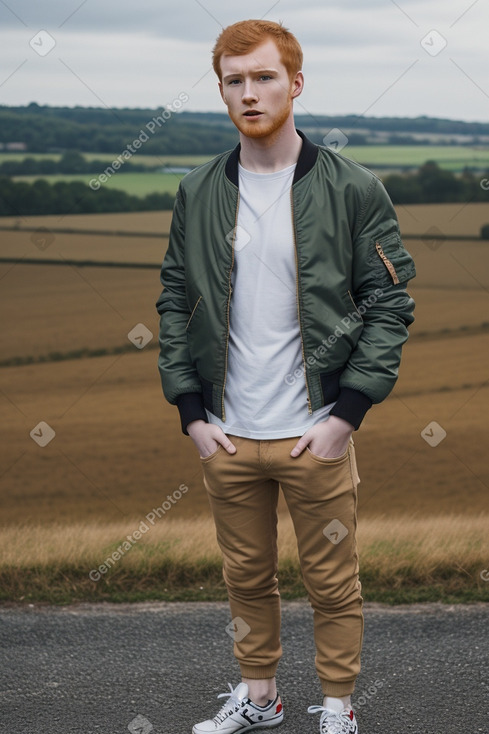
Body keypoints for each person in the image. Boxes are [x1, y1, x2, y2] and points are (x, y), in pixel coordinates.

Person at [155, 18, 415, 734]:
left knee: (332, 582)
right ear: (221, 91)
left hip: (315, 434)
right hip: (227, 436)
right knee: (245, 580)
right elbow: (175, 300)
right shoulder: (199, 190)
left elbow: (389, 303)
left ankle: (337, 708)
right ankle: (260, 699)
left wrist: (344, 417)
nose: (249, 92)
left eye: (264, 76)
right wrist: (192, 415)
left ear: (294, 84)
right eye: (233, 80)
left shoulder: (352, 188)